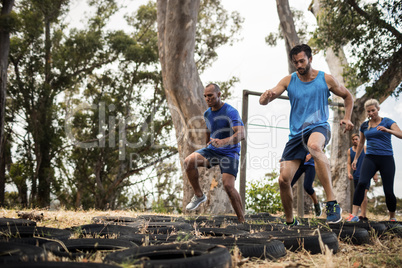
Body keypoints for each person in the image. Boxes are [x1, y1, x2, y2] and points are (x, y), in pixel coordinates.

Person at [259, 44, 354, 225]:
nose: (299, 65)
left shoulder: (326, 79)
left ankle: (332, 203)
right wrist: (265, 97)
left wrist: (348, 118)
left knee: (315, 147)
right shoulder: (288, 80)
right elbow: (269, 97)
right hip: (296, 136)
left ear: (310, 59)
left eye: (302, 61)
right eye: (295, 62)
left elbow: (348, 96)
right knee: (283, 180)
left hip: (318, 127)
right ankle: (289, 222)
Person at [184, 83, 245, 223]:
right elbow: (208, 128)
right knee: (189, 161)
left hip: (230, 152)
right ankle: (199, 195)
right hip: (212, 150)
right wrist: (207, 144)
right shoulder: (207, 113)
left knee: (229, 186)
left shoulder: (231, 111)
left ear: (219, 94)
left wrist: (223, 142)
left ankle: (242, 221)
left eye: (210, 95)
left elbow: (241, 134)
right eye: (205, 96)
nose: (207, 99)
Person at [348, 99, 402, 222]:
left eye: (373, 110)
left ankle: (392, 217)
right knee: (361, 183)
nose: (371, 113)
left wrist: (388, 130)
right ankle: (354, 215)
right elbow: (361, 143)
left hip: (386, 158)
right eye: (369, 111)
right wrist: (355, 159)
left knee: (388, 190)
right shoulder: (364, 125)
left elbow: (400, 134)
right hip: (370, 158)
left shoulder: (387, 122)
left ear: (378, 109)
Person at [347, 133, 378, 221]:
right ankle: (355, 214)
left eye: (356, 139)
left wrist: (374, 174)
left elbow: (373, 160)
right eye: (353, 139)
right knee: (357, 194)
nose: (355, 141)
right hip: (356, 175)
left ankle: (363, 215)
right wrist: (349, 173)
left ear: (360, 140)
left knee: (364, 194)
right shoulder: (350, 151)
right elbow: (349, 163)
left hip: (366, 174)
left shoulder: (365, 148)